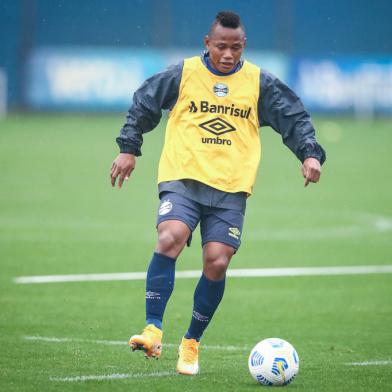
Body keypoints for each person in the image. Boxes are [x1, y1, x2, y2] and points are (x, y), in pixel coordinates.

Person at [110, 11, 325, 376]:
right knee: (170, 236)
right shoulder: (184, 73)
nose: (228, 54)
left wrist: (309, 153)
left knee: (217, 261)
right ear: (207, 44)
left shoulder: (259, 82)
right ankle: (152, 329)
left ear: (244, 47)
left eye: (235, 48)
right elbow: (145, 101)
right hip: (183, 178)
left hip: (231, 188)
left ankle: (191, 342)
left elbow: (294, 116)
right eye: (222, 46)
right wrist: (128, 147)